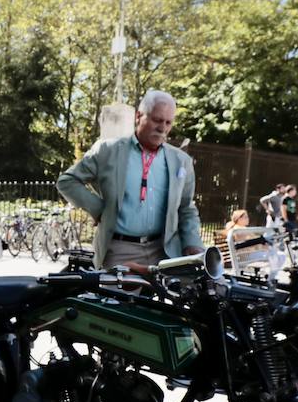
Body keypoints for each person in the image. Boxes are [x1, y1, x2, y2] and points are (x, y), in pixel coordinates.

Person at [57, 89, 202, 270]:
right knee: (119, 299)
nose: (163, 128)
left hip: (164, 251)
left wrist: (192, 244)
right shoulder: (108, 151)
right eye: (157, 120)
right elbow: (67, 181)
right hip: (120, 250)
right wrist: (99, 210)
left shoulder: (181, 161)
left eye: (168, 122)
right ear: (139, 116)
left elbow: (186, 208)